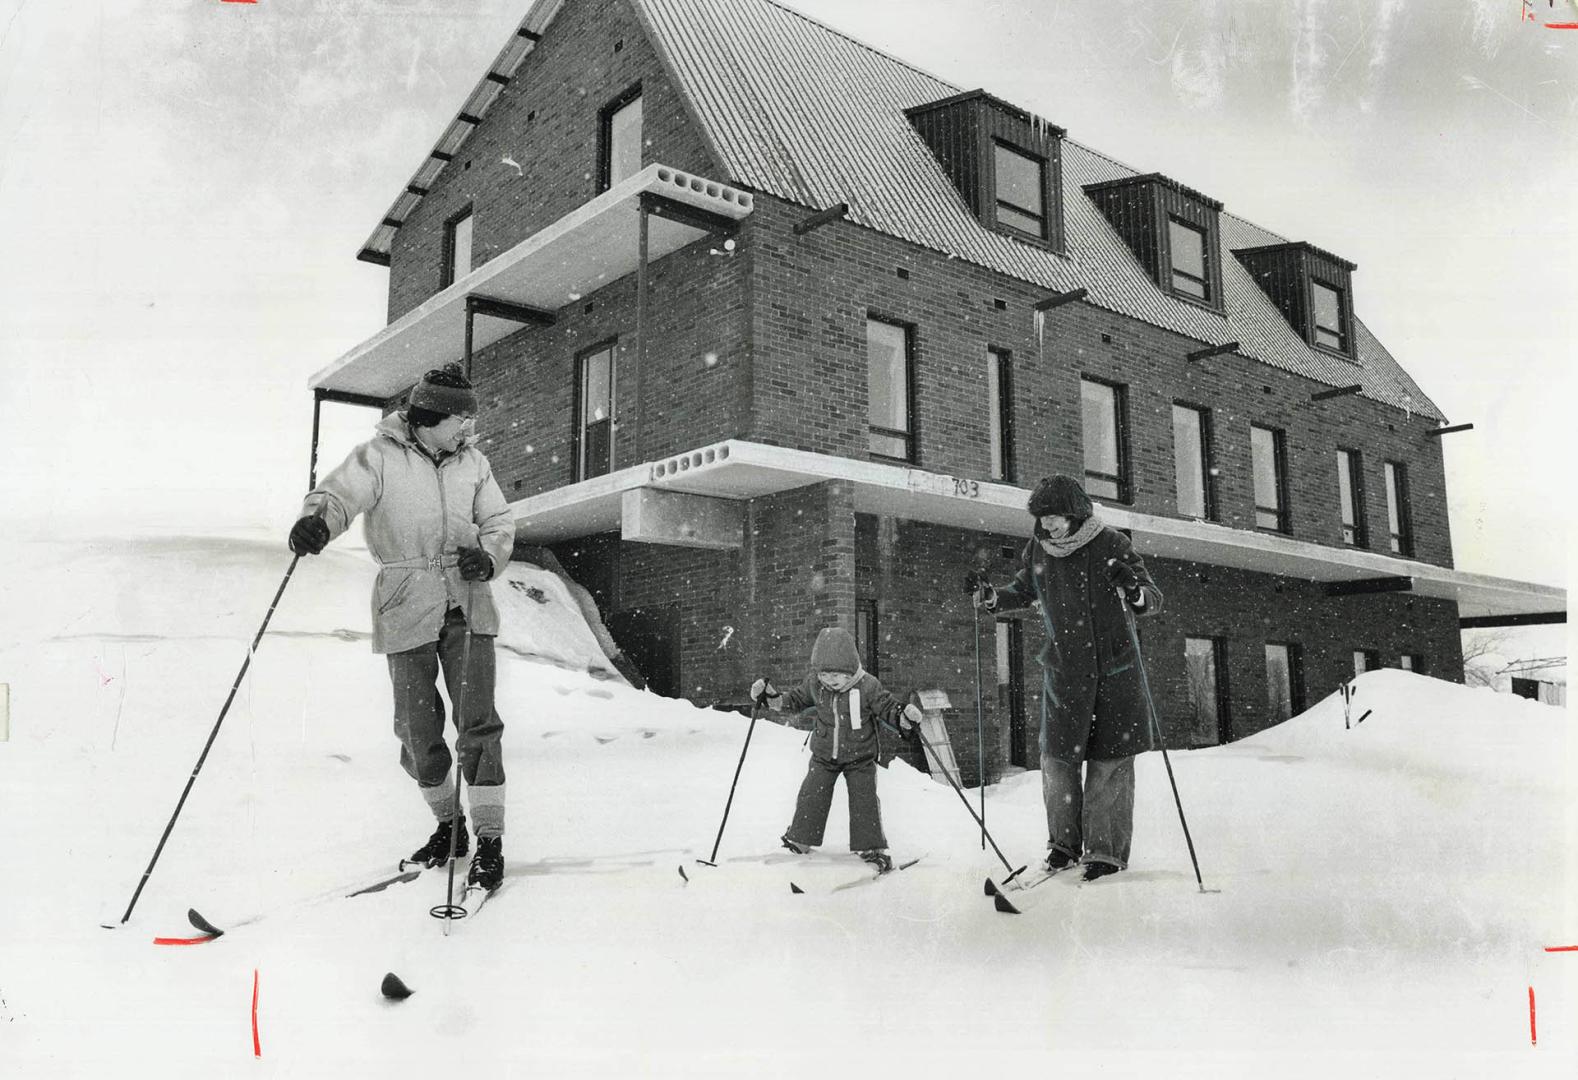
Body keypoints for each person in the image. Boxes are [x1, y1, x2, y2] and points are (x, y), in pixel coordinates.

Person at [287, 363, 516, 892]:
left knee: (478, 724)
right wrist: (318, 519)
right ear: (431, 417)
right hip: (405, 598)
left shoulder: (474, 464)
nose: (467, 429)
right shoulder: (379, 456)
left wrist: (489, 555)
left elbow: (499, 522)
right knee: (414, 729)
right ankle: (448, 825)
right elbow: (340, 494)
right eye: (460, 419)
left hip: (467, 600)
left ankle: (490, 840)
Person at [967, 474, 1163, 882]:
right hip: (1066, 672)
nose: (1047, 526)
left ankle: (1105, 853)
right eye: (1041, 519)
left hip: (1114, 671)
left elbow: (1150, 596)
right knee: (1058, 762)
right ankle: (1062, 846)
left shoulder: (1111, 543)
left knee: (1110, 763)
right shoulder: (1039, 549)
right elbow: (1023, 590)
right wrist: (992, 598)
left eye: (1053, 517)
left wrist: (1133, 588)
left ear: (1074, 513)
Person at [750, 627, 923, 872]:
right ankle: (800, 838)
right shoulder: (815, 685)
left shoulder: (867, 686)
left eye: (836, 675)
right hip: (823, 754)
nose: (829, 680)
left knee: (864, 800)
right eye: (823, 674)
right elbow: (794, 701)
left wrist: (903, 717)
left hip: (860, 756)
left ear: (850, 670)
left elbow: (887, 707)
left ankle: (871, 847)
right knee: (812, 793)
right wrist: (772, 698)